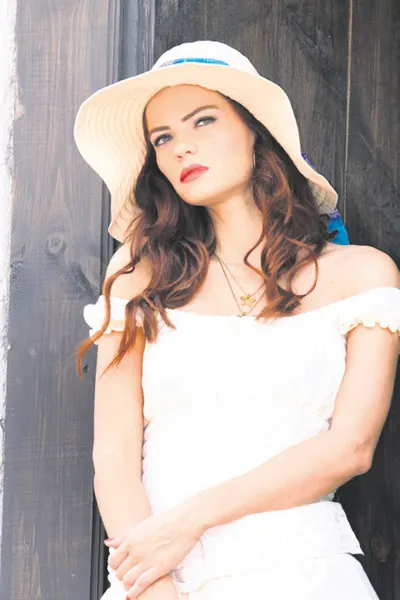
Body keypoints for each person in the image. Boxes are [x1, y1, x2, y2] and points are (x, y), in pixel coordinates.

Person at [73, 40, 400, 600]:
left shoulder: (362, 275)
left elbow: (350, 447)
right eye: (162, 138)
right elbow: (114, 457)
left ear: (255, 131)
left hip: (304, 572)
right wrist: (153, 586)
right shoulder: (137, 278)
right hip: (158, 580)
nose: (182, 147)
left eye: (203, 120)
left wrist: (190, 520)